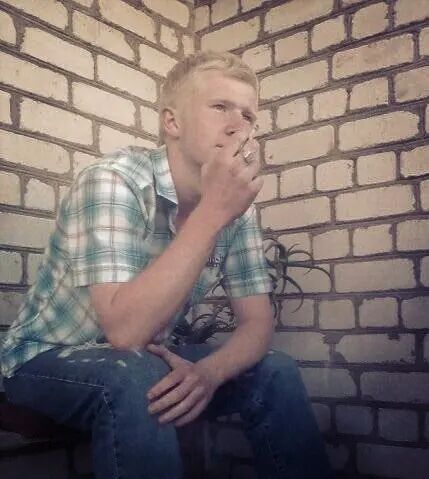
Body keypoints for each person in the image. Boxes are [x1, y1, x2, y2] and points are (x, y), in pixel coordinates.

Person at [1, 51, 332, 479]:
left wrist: (209, 372)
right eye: (220, 107)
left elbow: (257, 322)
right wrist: (213, 212)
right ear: (172, 123)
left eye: (248, 115)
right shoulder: (114, 180)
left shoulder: (237, 209)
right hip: (41, 359)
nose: (239, 126)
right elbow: (125, 332)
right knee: (136, 374)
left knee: (275, 371)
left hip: (138, 358)